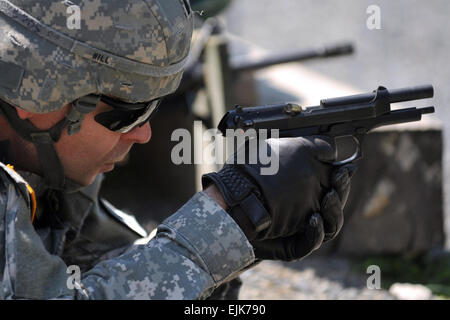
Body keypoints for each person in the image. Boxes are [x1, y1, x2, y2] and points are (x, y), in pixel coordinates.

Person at [0, 0, 354, 299]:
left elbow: (98, 271)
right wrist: (223, 220)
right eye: (128, 113)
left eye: (155, 107)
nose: (143, 134)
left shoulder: (49, 172)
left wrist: (237, 243)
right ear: (35, 93)